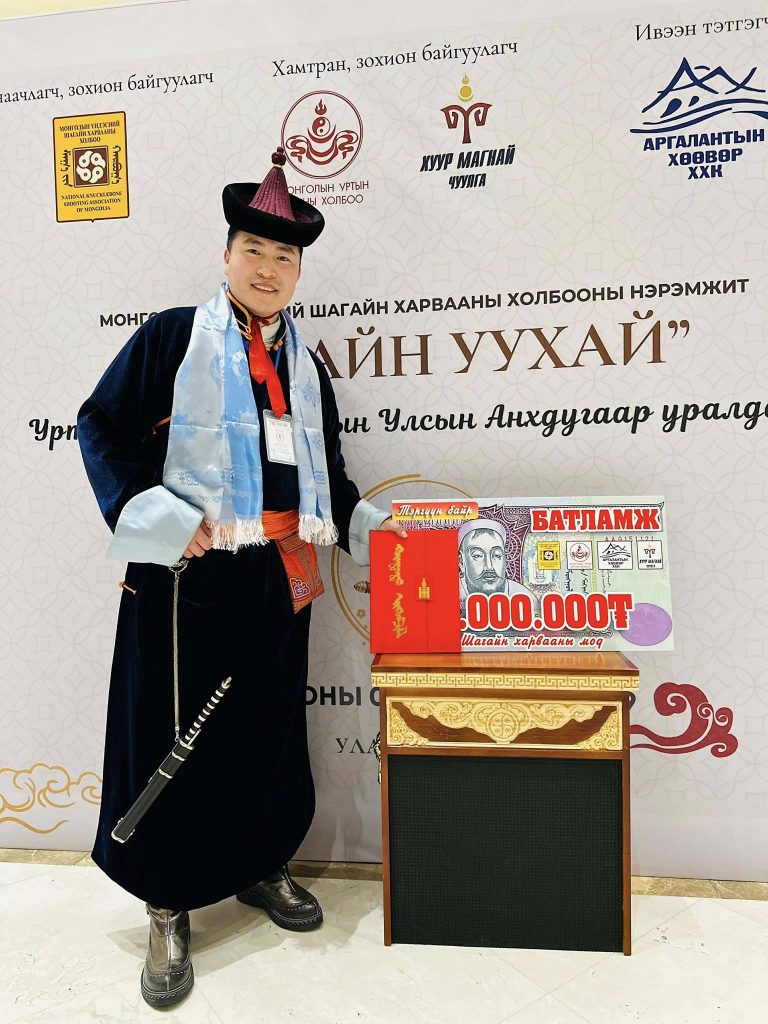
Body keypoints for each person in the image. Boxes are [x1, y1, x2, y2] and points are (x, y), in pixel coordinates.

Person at [77, 147, 405, 1008]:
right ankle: (167, 903)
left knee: (266, 727)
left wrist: (374, 531)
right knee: (171, 738)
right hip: (185, 577)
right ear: (226, 256)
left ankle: (261, 862)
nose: (267, 268)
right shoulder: (171, 338)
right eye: (253, 250)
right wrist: (156, 515)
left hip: (277, 574)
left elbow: (329, 474)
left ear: (299, 272)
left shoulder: (308, 366)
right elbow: (100, 427)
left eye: (283, 256)